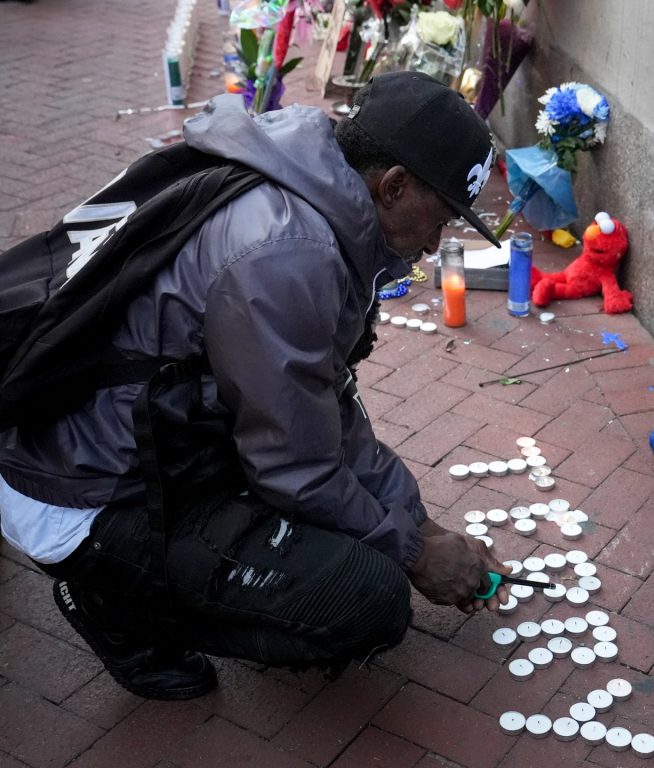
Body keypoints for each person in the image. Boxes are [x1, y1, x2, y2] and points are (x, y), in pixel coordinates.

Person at [0, 71, 510, 700]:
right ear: (394, 185)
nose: (435, 246)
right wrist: (414, 554)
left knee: (364, 531)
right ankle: (114, 601)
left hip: (144, 440)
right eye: (440, 220)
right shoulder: (289, 251)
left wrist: (419, 522)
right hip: (87, 488)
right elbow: (295, 464)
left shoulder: (311, 181)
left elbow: (320, 405)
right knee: (367, 598)